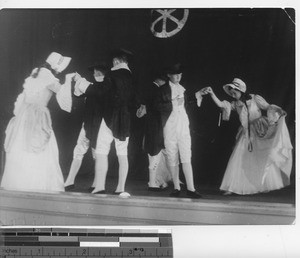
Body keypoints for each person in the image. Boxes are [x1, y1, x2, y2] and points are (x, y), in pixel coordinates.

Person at [203, 78, 293, 195]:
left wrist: (278, 112)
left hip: (259, 128)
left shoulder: (255, 98)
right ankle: (231, 186)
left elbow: (267, 107)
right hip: (246, 132)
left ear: (240, 90)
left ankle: (262, 183)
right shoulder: (236, 104)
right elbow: (221, 104)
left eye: (234, 92)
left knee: (261, 155)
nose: (232, 95)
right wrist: (211, 93)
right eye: (231, 93)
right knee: (238, 156)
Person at [1, 52, 73, 192]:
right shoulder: (49, 78)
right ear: (55, 67)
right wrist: (69, 80)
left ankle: (20, 184)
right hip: (38, 116)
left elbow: (22, 97)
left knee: (23, 147)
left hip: (24, 116)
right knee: (40, 148)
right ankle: (37, 185)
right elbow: (63, 95)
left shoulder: (35, 75)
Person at [73, 48, 134, 197]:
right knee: (122, 153)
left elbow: (100, 92)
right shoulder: (133, 76)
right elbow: (135, 98)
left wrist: (81, 83)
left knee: (101, 151)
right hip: (125, 119)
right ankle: (120, 188)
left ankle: (100, 186)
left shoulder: (111, 75)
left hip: (109, 118)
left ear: (116, 61)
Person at [154, 63, 205, 198]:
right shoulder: (162, 90)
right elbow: (157, 106)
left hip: (182, 125)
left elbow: (186, 104)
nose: (178, 77)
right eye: (175, 74)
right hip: (170, 126)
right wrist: (172, 103)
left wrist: (198, 94)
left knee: (186, 155)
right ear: (169, 75)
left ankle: (191, 188)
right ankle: (176, 187)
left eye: (180, 74)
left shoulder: (182, 89)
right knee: (172, 156)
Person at [64, 62, 109, 191]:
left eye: (98, 72)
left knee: (97, 154)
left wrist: (80, 80)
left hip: (100, 125)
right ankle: (70, 180)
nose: (96, 74)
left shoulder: (105, 87)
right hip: (88, 123)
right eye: (95, 72)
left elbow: (91, 90)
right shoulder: (92, 87)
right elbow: (79, 93)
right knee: (79, 151)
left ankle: (96, 183)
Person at [136, 72, 171, 190]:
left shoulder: (147, 90)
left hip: (149, 126)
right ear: (161, 81)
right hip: (156, 126)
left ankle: (156, 180)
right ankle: (153, 182)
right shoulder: (157, 91)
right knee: (155, 153)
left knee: (154, 154)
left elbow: (140, 112)